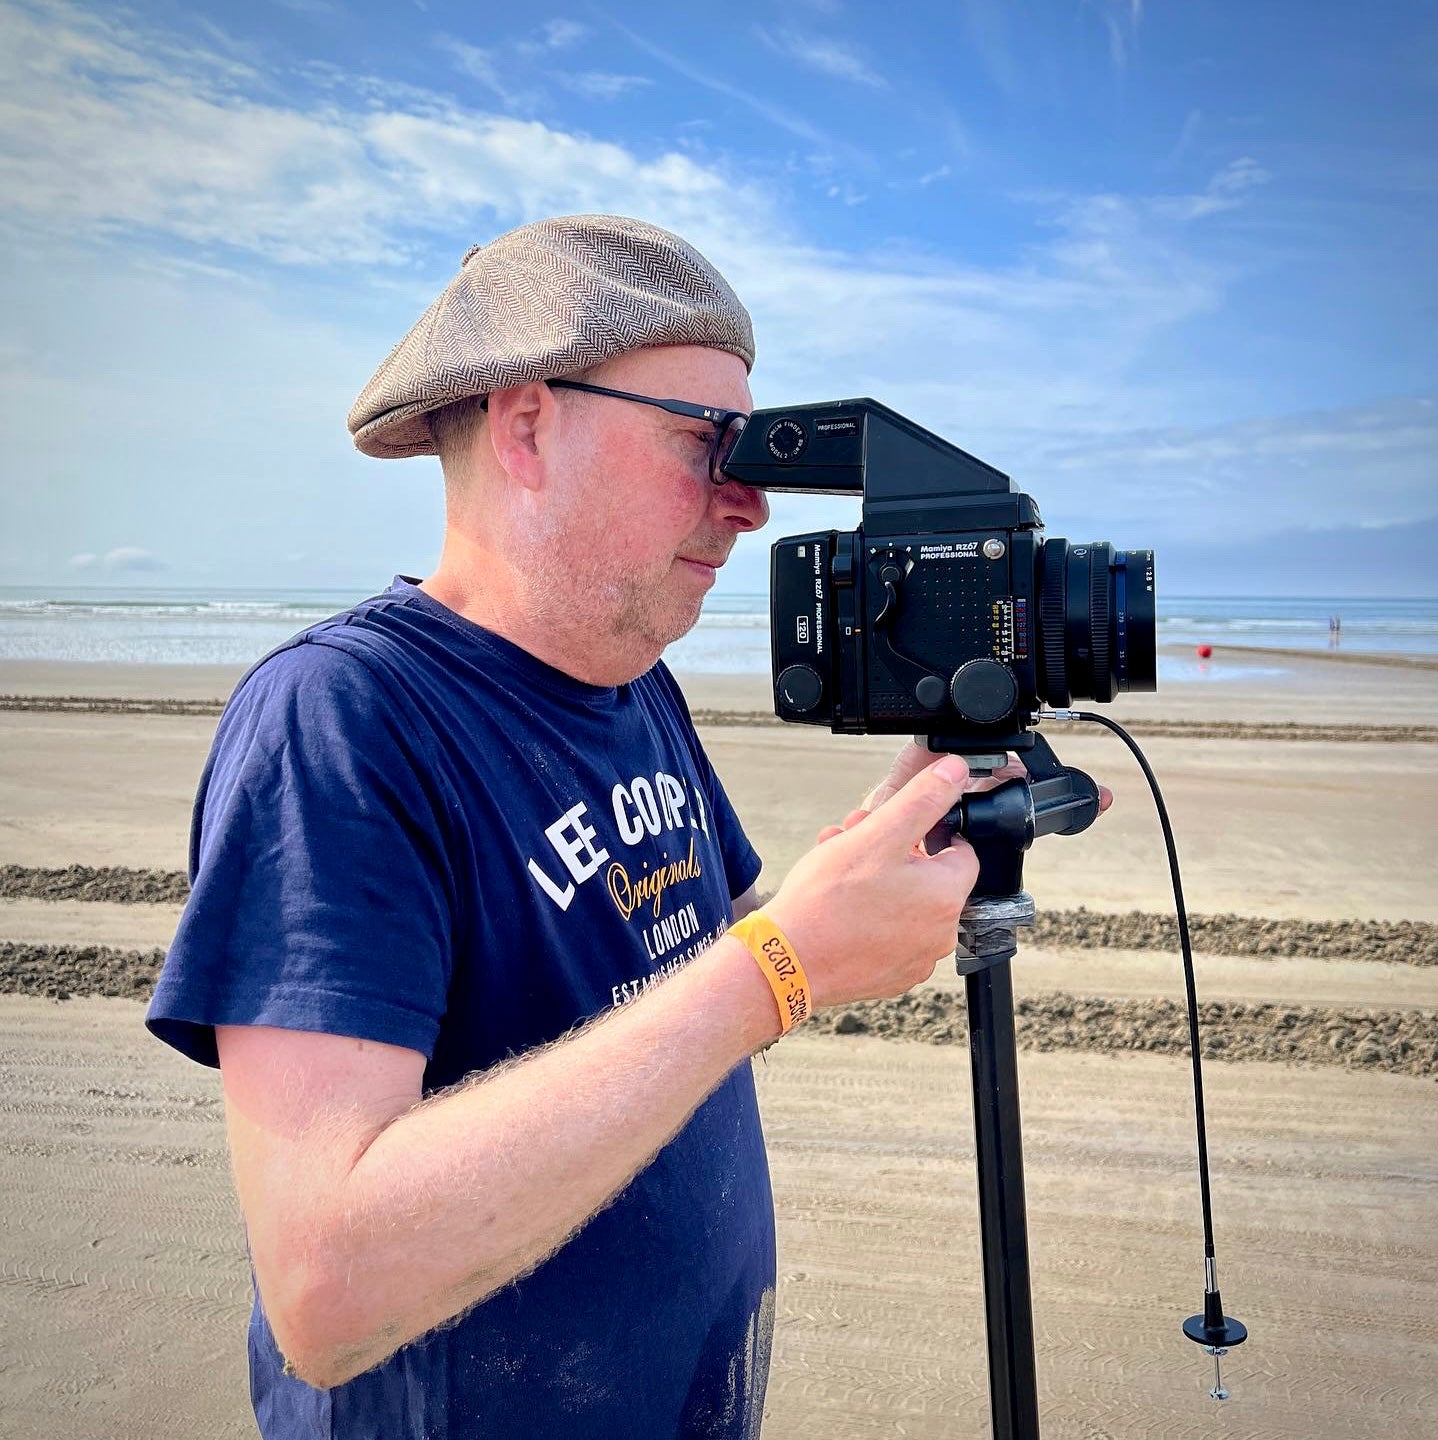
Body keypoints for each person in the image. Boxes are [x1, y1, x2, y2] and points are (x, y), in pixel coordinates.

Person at [145, 215, 1069, 1438]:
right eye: (705, 443)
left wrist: (872, 866)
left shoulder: (634, 680)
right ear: (528, 424)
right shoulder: (343, 718)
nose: (747, 506)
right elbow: (326, 1289)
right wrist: (779, 974)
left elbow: (709, 952)